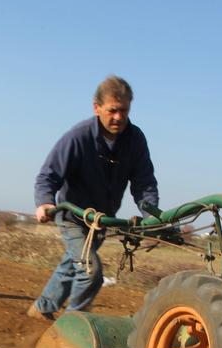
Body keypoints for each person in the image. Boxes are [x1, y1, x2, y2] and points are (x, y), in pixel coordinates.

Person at [29, 76, 159, 319]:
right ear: (96, 107)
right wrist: (45, 202)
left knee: (73, 265)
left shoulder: (135, 140)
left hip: (101, 220)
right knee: (90, 271)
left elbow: (144, 182)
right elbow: (48, 175)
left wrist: (151, 215)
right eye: (112, 110)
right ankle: (72, 326)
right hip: (73, 216)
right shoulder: (78, 137)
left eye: (124, 110)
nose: (118, 117)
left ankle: (42, 309)